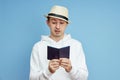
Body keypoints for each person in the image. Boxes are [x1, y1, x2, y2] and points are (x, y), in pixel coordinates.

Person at [29, 5, 88, 80]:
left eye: (61, 23)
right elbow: (32, 78)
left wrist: (71, 69)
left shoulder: (76, 45)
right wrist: (48, 71)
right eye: (54, 22)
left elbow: (84, 77)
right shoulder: (38, 47)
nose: (57, 26)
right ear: (48, 23)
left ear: (67, 24)